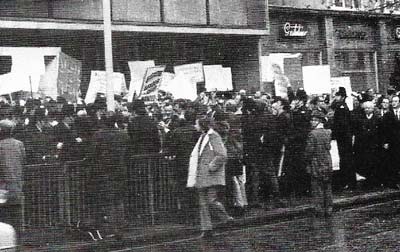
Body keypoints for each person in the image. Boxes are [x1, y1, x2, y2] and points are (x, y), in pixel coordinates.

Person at [187, 116, 233, 238]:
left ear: (202, 126)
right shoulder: (203, 136)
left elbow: (222, 155)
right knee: (203, 203)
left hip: (210, 175)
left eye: (196, 124)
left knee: (211, 201)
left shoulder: (214, 137)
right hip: (202, 175)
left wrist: (211, 167)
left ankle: (226, 218)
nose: (195, 126)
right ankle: (206, 229)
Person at [0, 119, 26, 239]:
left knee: (4, 215)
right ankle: (18, 238)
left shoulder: (0, 146)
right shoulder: (19, 144)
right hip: (17, 184)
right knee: (17, 214)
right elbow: (23, 162)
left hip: (3, 185)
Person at [305, 110, 333, 217]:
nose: (311, 122)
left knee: (317, 187)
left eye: (313, 120)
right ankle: (329, 208)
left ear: (318, 121)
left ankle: (319, 209)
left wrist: (306, 160)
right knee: (327, 186)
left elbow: (309, 151)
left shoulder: (312, 134)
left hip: (316, 163)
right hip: (327, 162)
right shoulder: (328, 132)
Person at [332, 87, 356, 190]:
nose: (335, 98)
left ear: (341, 97)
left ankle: (347, 181)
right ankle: (349, 181)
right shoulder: (343, 106)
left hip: (343, 137)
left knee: (346, 159)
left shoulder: (341, 108)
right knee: (346, 159)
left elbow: (341, 124)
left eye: (337, 95)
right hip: (345, 137)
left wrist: (334, 134)